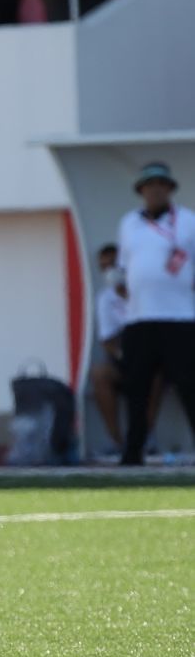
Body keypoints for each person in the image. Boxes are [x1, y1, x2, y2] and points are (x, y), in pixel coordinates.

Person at [117, 162, 195, 466]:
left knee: (189, 386)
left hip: (181, 318)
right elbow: (125, 268)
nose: (156, 190)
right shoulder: (128, 223)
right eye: (150, 185)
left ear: (170, 189)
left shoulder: (188, 221)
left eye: (162, 184)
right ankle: (133, 452)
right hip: (139, 319)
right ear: (141, 190)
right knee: (137, 387)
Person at [88, 244, 163, 458]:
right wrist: (125, 356)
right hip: (124, 360)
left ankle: (145, 438)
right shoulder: (105, 299)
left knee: (155, 375)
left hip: (152, 359)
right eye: (103, 268)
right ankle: (119, 443)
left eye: (112, 265)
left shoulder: (146, 291)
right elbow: (108, 340)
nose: (109, 272)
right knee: (99, 374)